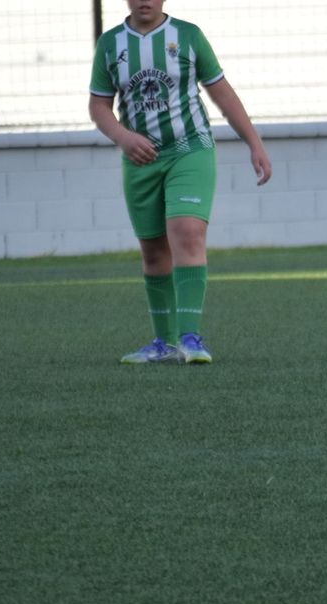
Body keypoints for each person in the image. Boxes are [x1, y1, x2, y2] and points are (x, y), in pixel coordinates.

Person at [89, 0, 271, 366]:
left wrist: (254, 143)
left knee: (187, 232)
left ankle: (190, 338)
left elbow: (222, 92)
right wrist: (124, 138)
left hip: (190, 149)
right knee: (155, 252)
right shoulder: (110, 44)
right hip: (140, 159)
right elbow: (99, 105)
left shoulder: (188, 36)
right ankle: (164, 342)